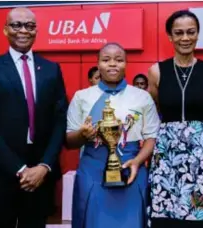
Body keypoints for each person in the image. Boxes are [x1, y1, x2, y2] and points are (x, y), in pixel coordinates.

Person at [0, 7, 67, 228]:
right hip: (0, 172)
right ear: (5, 30)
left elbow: (60, 120)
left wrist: (43, 166)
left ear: (36, 31)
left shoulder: (52, 69)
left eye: (30, 26)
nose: (23, 30)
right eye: (16, 25)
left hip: (41, 176)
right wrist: (21, 169)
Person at [147, 10, 203, 228]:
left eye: (191, 32)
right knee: (166, 213)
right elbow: (153, 108)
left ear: (197, 34)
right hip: (167, 150)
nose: (185, 38)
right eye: (179, 33)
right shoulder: (157, 71)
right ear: (170, 37)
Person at [66, 43, 160, 228]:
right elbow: (69, 140)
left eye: (119, 60)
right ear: (98, 64)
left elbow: (152, 137)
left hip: (131, 169)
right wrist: (83, 135)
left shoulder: (142, 97)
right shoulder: (82, 96)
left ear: (126, 63)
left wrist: (137, 161)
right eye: (106, 60)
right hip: (92, 169)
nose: (112, 64)